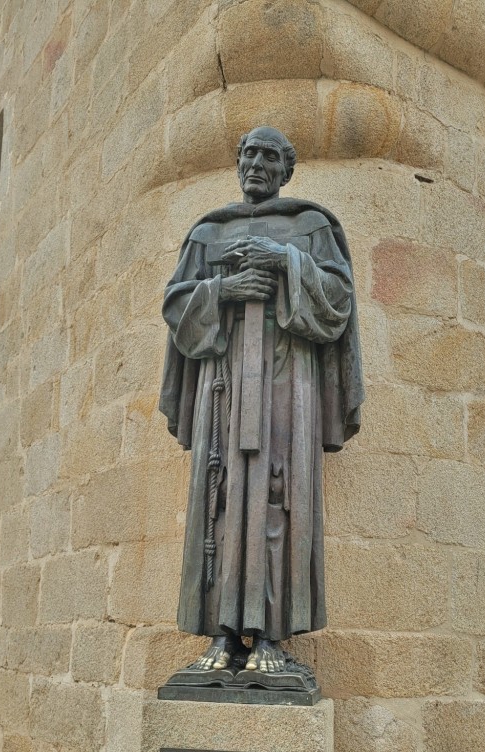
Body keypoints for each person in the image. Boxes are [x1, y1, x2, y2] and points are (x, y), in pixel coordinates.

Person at [160, 126, 363, 687]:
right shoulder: (208, 232)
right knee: (220, 500)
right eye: (248, 153)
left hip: (286, 385)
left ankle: (273, 633)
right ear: (238, 162)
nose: (256, 162)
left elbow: (339, 301)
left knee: (281, 496)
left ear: (286, 169)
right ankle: (221, 633)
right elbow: (178, 307)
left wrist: (284, 260)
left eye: (270, 155)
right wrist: (223, 291)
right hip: (222, 386)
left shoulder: (311, 225)